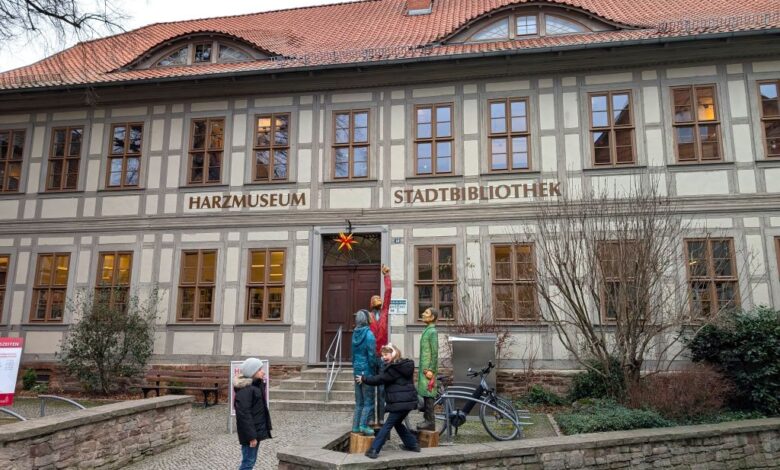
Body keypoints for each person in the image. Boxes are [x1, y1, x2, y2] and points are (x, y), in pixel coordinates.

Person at [356, 343, 420, 459]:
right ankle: (413, 444)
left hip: (400, 402)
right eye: (382, 355)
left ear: (394, 353)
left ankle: (374, 449)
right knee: (397, 423)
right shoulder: (405, 365)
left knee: (387, 425)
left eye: (386, 354)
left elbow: (379, 379)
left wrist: (364, 379)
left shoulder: (393, 369)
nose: (384, 357)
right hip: (408, 401)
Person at [233, 357, 272, 470]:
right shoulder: (246, 390)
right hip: (251, 434)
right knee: (248, 463)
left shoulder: (255, 386)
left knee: (250, 461)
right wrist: (251, 437)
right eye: (260, 369)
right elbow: (244, 416)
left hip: (255, 431)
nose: (263, 371)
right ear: (252, 372)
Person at [368, 264, 391, 423]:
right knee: (370, 388)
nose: (379, 299)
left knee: (382, 388)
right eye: (376, 298)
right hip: (371, 356)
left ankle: (381, 418)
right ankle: (370, 418)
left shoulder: (384, 313)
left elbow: (388, 292)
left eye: (380, 298)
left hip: (382, 355)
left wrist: (386, 276)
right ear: (371, 303)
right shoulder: (367, 316)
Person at [351, 309, 377, 436]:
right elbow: (371, 356)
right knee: (369, 401)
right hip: (366, 370)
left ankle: (355, 426)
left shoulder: (354, 334)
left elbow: (353, 354)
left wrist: (354, 367)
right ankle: (363, 425)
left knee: (359, 401)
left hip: (356, 368)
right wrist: (374, 369)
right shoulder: (369, 335)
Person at [417, 307, 439, 431]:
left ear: (432, 318)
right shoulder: (427, 330)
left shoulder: (432, 332)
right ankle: (426, 419)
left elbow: (435, 352)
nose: (423, 314)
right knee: (425, 394)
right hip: (424, 368)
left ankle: (430, 421)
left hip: (428, 370)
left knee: (429, 394)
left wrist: (431, 369)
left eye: (426, 313)